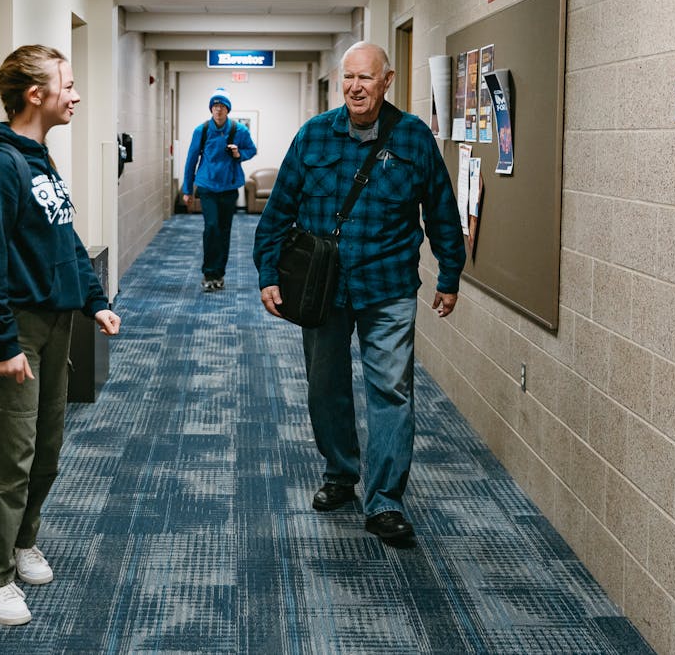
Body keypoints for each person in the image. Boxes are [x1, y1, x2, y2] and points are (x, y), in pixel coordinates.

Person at [253, 41, 465, 547]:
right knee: (325, 386)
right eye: (348, 77)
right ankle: (340, 474)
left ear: (387, 81)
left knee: (391, 391)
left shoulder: (413, 139)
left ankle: (386, 500)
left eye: (366, 78)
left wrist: (450, 275)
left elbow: (441, 212)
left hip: (387, 286)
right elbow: (278, 211)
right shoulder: (314, 137)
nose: (355, 87)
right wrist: (268, 273)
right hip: (321, 290)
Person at [0, 44, 122, 625]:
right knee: (9, 455)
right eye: (68, 85)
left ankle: (22, 540)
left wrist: (95, 301)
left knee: (46, 449)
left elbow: (64, 241)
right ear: (37, 94)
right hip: (17, 329)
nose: (75, 95)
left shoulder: (38, 157)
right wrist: (4, 345)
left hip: (56, 325)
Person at [181, 88, 258, 292]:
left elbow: (252, 150)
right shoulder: (202, 130)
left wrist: (238, 153)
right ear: (211, 109)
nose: (218, 110)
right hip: (207, 185)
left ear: (227, 110)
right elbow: (191, 160)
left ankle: (219, 274)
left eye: (222, 106)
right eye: (215, 106)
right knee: (212, 227)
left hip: (229, 186)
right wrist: (187, 189)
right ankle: (208, 272)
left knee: (224, 231)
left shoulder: (239, 130)